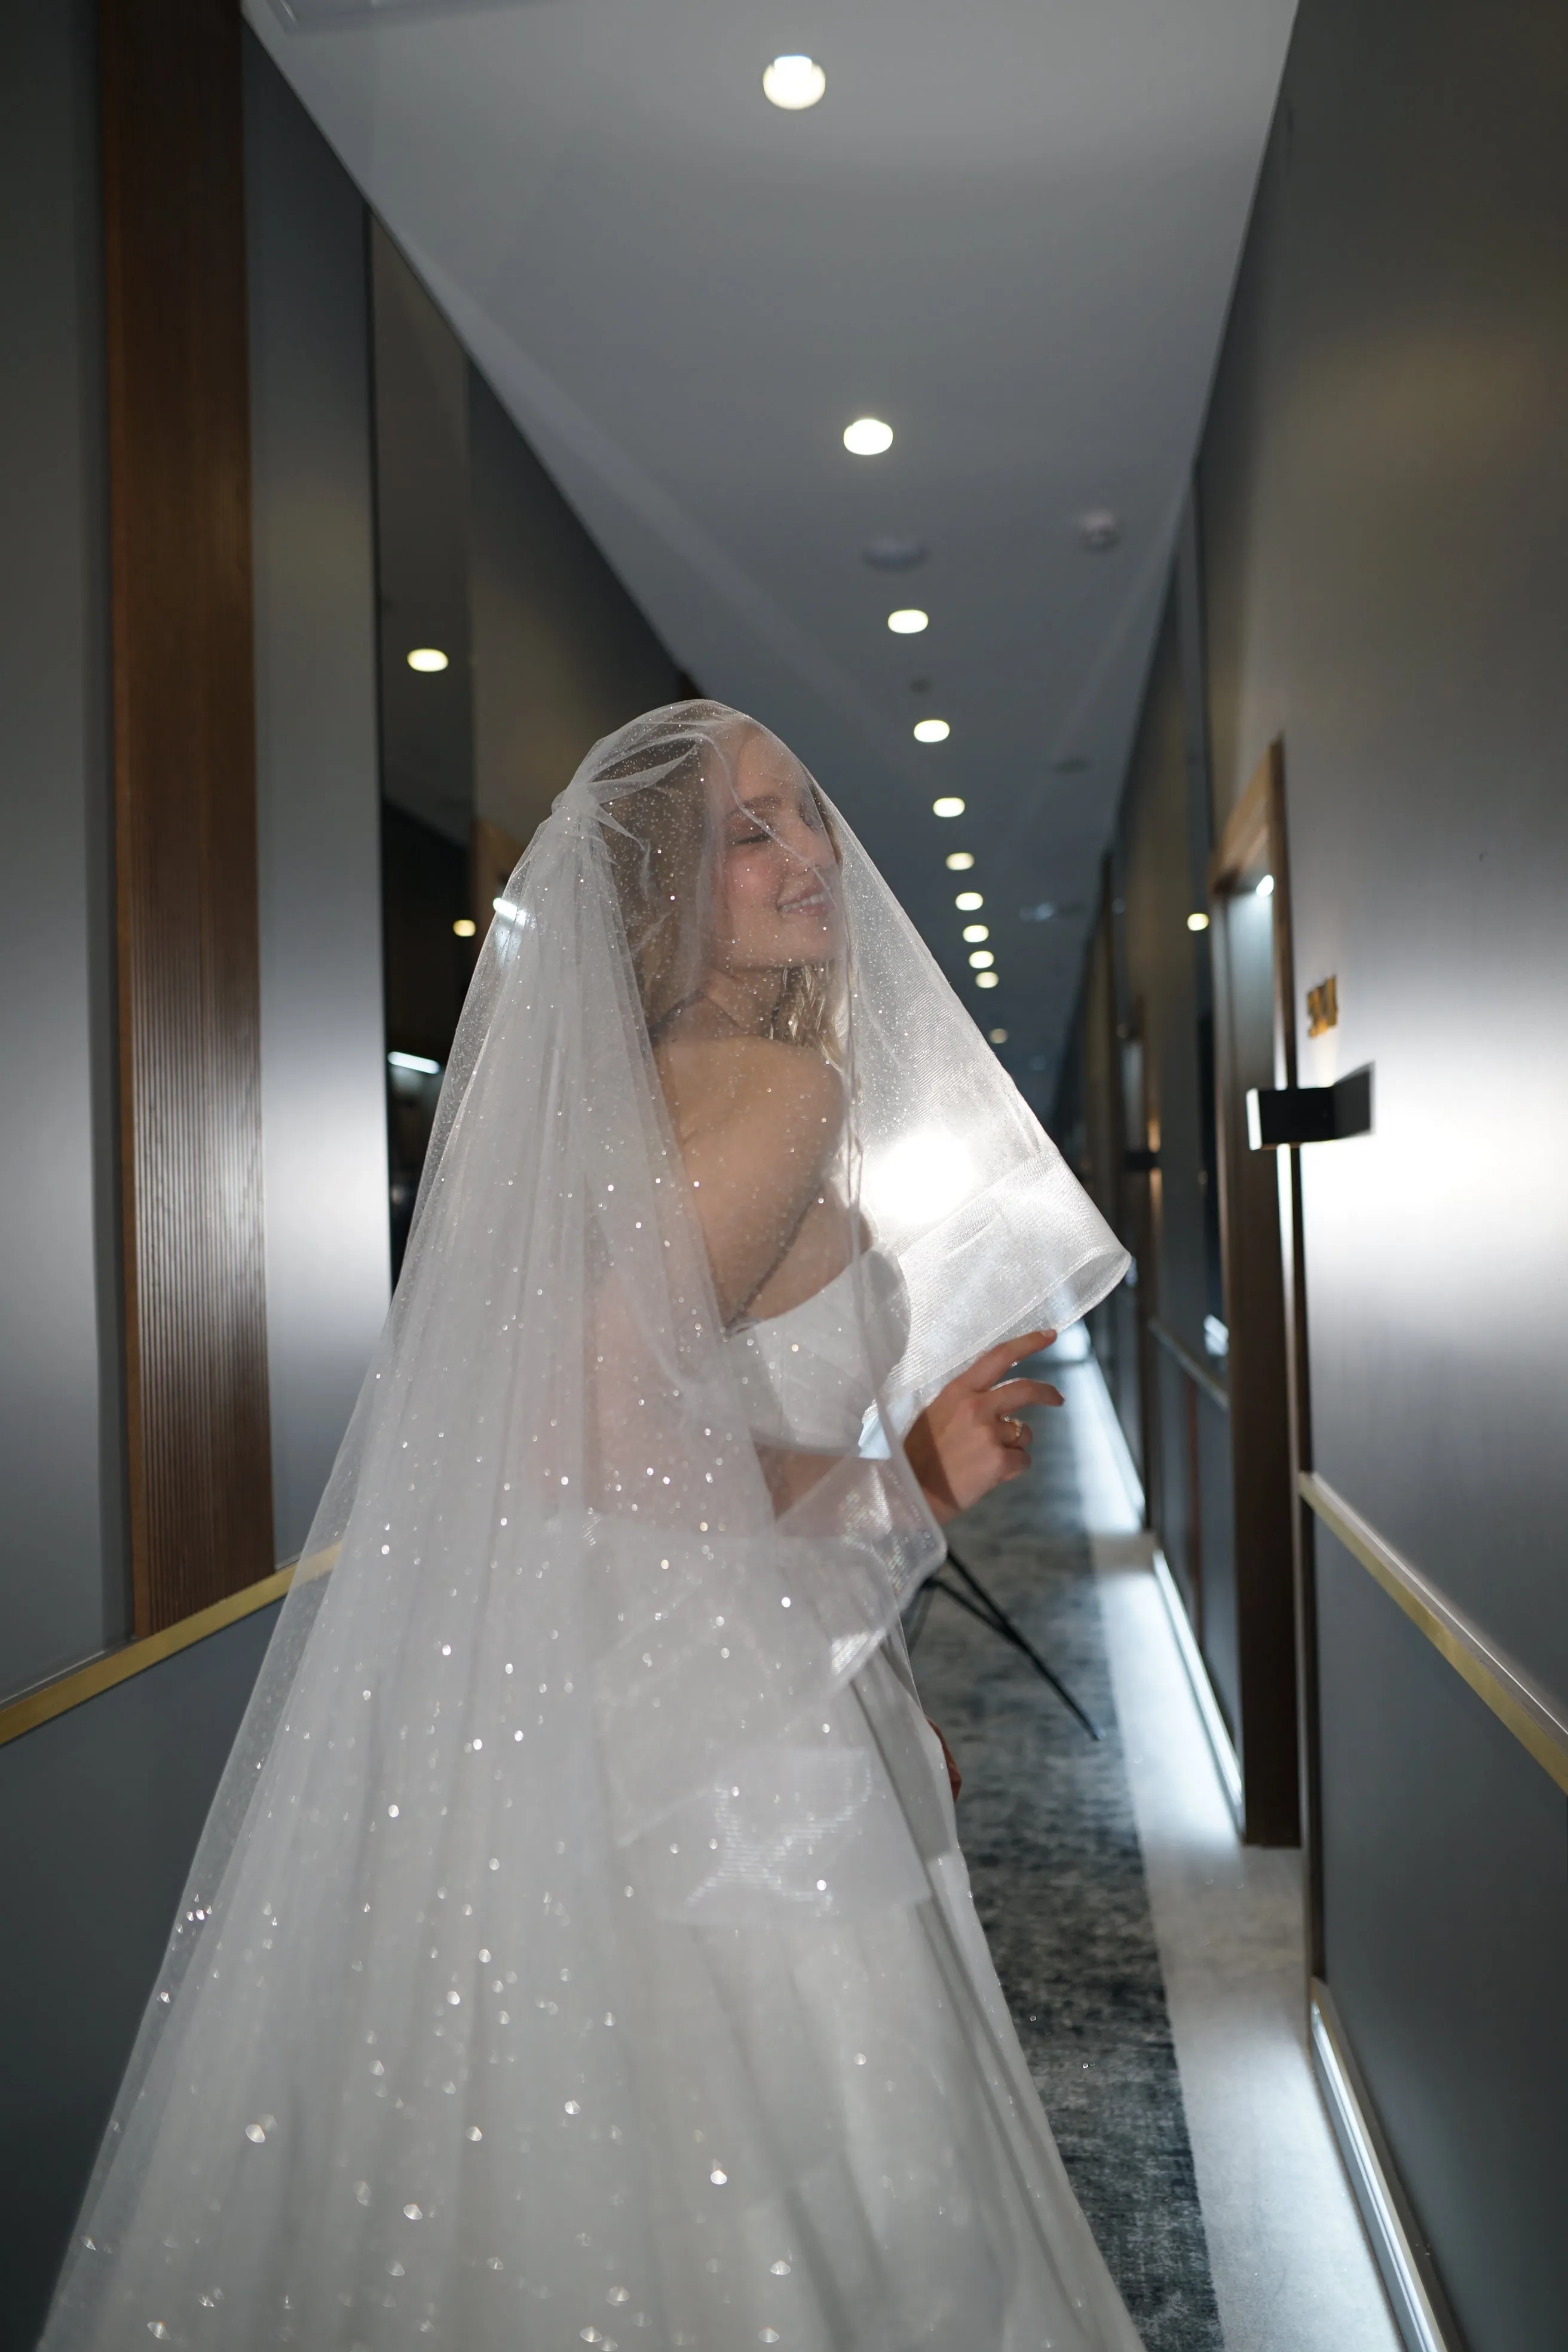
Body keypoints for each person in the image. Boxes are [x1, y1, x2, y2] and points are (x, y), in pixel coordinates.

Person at [42, 703, 1138, 2351]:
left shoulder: (618, 1107)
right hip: (720, 1738)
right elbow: (605, 1439)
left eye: (807, 816)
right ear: (665, 891)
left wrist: (883, 1677)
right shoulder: (785, 1089)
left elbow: (644, 1450)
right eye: (750, 831)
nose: (809, 854)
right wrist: (911, 1485)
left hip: (626, 1685)